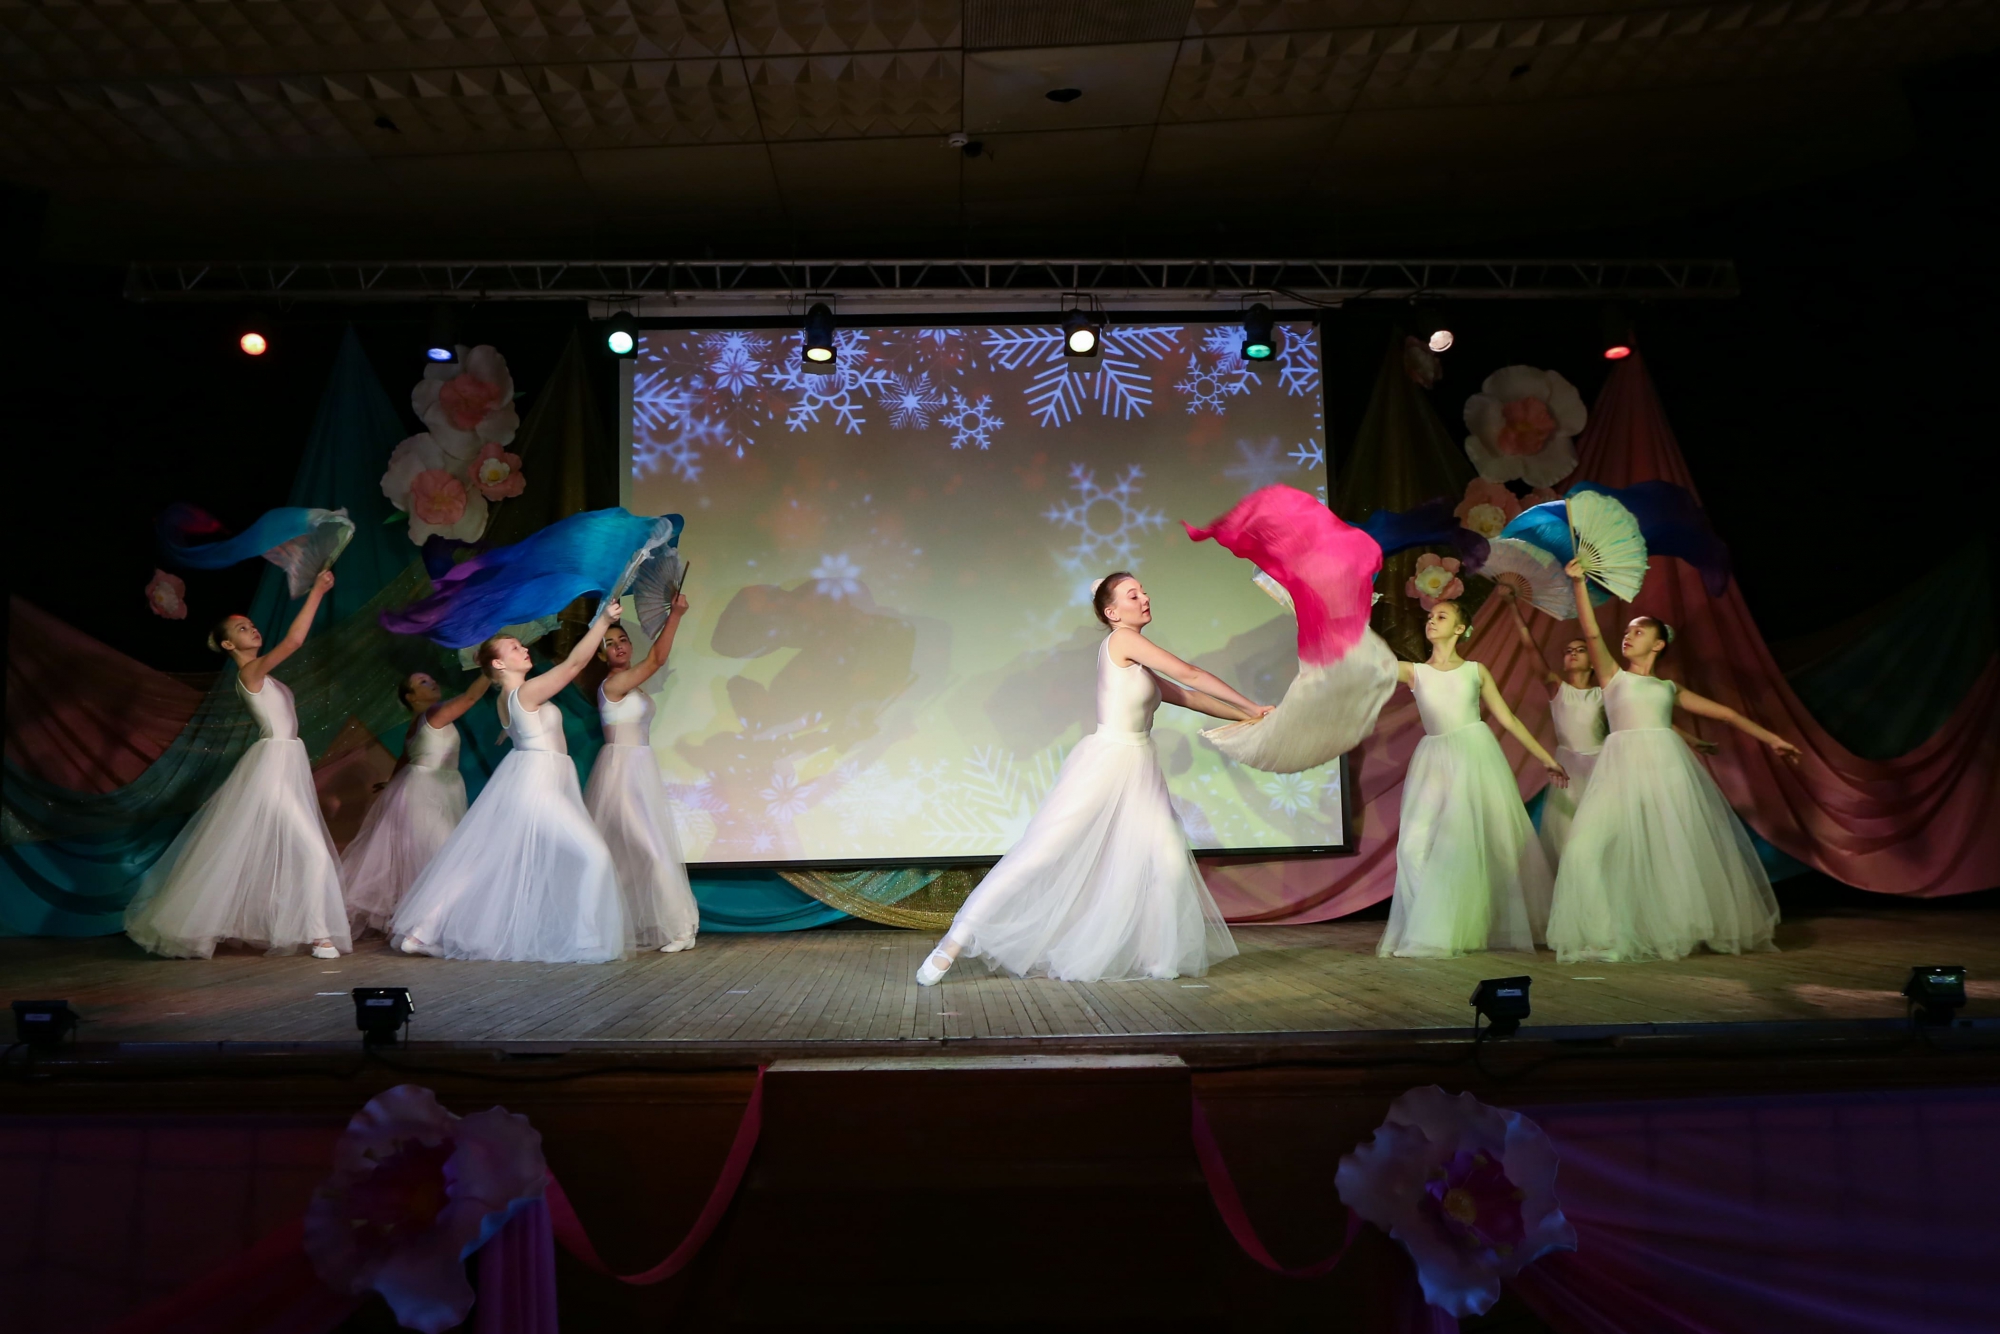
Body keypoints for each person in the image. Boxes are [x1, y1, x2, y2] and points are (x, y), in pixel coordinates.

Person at [916, 573, 1266, 985]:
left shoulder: (1140, 664)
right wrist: (1250, 705)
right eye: (1133, 595)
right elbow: (1189, 674)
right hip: (1105, 763)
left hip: (1141, 768)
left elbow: (1189, 697)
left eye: (1144, 591)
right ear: (1112, 612)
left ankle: (1157, 957)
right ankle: (953, 942)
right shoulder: (1122, 640)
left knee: (1169, 862)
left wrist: (1252, 717)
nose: (1145, 597)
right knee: (1040, 854)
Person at [1546, 559, 1802, 963]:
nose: (1628, 636)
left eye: (1639, 631)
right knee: (1582, 849)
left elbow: (1727, 713)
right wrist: (1579, 584)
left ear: (1659, 644)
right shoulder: (1613, 677)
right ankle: (1604, 932)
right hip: (1618, 772)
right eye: (1627, 631)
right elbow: (1592, 631)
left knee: (1668, 852)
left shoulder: (1668, 688)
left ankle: (1672, 927)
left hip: (1665, 769)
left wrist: (1774, 740)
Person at [390, 601, 633, 963]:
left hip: (532, 781)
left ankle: (421, 932)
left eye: (521, 645)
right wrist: (602, 623)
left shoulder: (509, 698)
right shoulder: (524, 693)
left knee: (480, 863)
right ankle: (583, 940)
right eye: (514, 648)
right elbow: (574, 665)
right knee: (594, 856)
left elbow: (522, 729)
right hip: (538, 785)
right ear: (499, 665)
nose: (524, 649)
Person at [125, 570, 350, 960]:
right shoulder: (249, 673)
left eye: (252, 625)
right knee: (313, 854)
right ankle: (318, 935)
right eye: (243, 629)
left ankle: (307, 931)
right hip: (273, 769)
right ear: (229, 644)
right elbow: (294, 641)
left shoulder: (267, 677)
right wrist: (317, 591)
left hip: (286, 764)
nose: (253, 629)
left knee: (289, 854)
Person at [1378, 598, 1567, 959]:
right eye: (1430, 616)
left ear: (1460, 628)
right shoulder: (1415, 671)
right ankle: (1432, 927)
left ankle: (1461, 927)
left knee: (1473, 846)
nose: (1432, 620)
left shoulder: (1475, 671)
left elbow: (1508, 719)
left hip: (1473, 756)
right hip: (1433, 760)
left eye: (1441, 616)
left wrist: (1546, 759)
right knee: (1411, 848)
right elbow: (1372, 664)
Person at [1501, 589, 1718, 867]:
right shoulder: (1558, 689)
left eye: (1581, 650)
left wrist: (1689, 738)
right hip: (1570, 769)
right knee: (1571, 841)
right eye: (1568, 651)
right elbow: (1531, 649)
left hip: (1605, 766)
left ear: (1593, 661)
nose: (1573, 654)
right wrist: (1513, 607)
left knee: (1614, 842)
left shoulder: (1607, 691)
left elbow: (1646, 718)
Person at [585, 592, 700, 952]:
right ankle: (678, 927)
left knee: (636, 855)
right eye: (609, 644)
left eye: (622, 639)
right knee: (649, 851)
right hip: (620, 773)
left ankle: (666, 926)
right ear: (600, 654)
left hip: (639, 770)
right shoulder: (612, 685)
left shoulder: (631, 684)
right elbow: (657, 659)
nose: (618, 646)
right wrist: (675, 615)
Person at [340, 669, 489, 936]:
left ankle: (421, 919)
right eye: (423, 682)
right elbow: (469, 698)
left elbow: (406, 756)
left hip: (435, 788)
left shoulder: (417, 721)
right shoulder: (433, 713)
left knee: (433, 854)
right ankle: (423, 925)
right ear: (411, 696)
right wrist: (491, 669)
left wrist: (392, 782)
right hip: (426, 791)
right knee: (442, 853)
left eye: (431, 679)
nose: (432, 682)